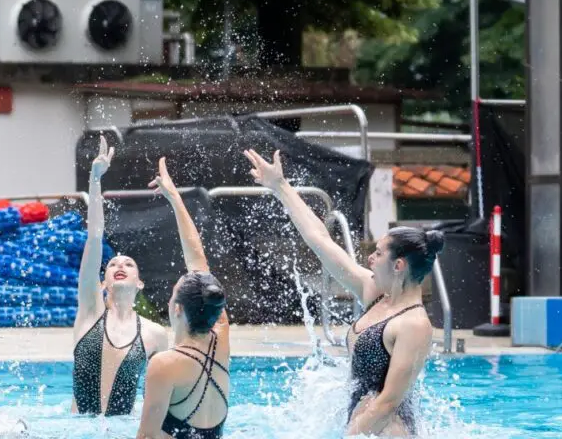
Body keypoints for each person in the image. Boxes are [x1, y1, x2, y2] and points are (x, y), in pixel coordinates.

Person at [244, 149, 442, 436]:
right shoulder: (375, 292)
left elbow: (387, 403)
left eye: (378, 253)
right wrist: (281, 187)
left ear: (398, 265)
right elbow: (321, 241)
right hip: (362, 425)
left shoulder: (414, 325)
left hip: (387, 431)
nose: (370, 259)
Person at [72, 135, 170, 416]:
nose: (119, 266)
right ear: (103, 283)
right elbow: (94, 238)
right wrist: (95, 179)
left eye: (128, 264)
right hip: (79, 432)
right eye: (113, 264)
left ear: (139, 283)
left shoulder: (155, 334)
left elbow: (161, 395)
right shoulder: (91, 312)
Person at [136, 157, 231, 439]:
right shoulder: (220, 336)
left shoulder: (164, 364)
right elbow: (198, 263)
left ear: (176, 309)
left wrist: (174, 196)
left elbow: (146, 437)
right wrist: (175, 197)